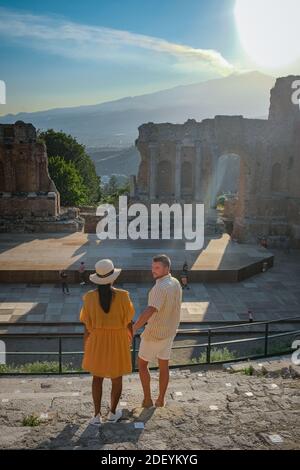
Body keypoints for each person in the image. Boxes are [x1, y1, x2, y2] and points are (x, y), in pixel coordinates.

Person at [79, 259, 135, 426]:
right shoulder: (124, 296)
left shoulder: (88, 298)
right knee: (117, 378)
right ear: (113, 278)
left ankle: (96, 416)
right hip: (118, 340)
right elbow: (129, 322)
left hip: (97, 340)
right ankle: (112, 413)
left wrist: (86, 345)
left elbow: (86, 326)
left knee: (97, 378)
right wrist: (129, 340)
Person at [133, 254, 182, 408]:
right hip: (169, 331)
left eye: (157, 268)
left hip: (154, 334)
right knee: (163, 365)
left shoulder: (159, 287)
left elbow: (150, 310)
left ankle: (147, 399)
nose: (153, 270)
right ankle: (161, 399)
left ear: (166, 268)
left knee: (141, 364)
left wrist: (134, 327)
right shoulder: (175, 282)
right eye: (153, 267)